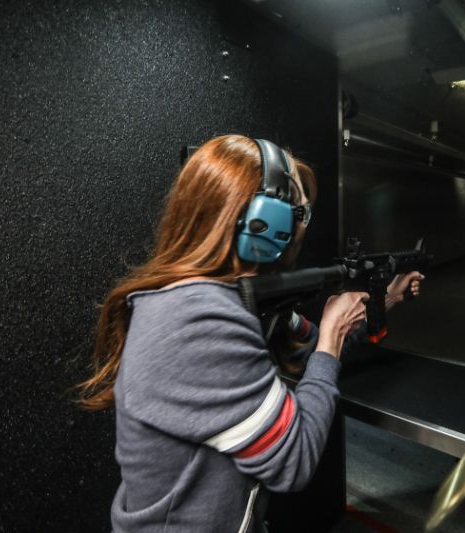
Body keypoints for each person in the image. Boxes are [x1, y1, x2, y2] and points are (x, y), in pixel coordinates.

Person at [76, 134, 423, 532]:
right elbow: (294, 459)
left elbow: (307, 344)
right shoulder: (200, 322)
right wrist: (332, 335)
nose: (300, 229)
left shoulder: (212, 301)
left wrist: (385, 299)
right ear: (266, 223)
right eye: (300, 215)